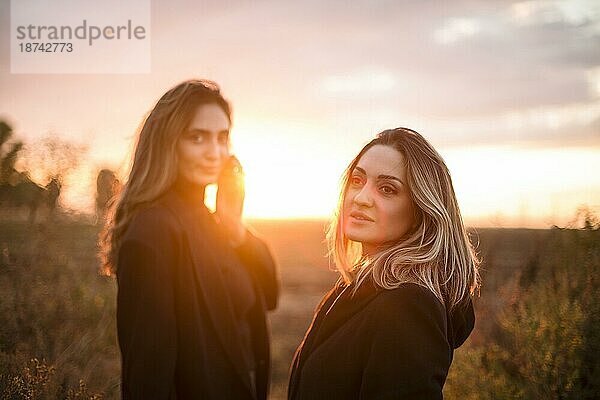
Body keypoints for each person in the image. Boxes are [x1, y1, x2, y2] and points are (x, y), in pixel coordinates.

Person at [99, 79, 279, 399]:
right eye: (197, 138)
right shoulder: (153, 231)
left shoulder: (211, 221)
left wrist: (234, 226)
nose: (215, 153)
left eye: (222, 138)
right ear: (168, 143)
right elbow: (148, 380)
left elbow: (269, 293)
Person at [288, 128, 480, 400]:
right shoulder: (357, 289)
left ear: (420, 211)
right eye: (357, 180)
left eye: (387, 189)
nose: (361, 198)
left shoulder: (407, 306)